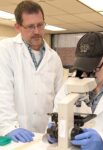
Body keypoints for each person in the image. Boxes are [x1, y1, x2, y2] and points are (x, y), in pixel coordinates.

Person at [0, 0, 63, 143]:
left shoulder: (54, 57)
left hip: (45, 135)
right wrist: (9, 127)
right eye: (30, 27)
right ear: (18, 27)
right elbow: (2, 92)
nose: (37, 31)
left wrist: (58, 126)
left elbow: (60, 97)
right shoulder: (5, 50)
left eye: (40, 25)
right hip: (15, 134)